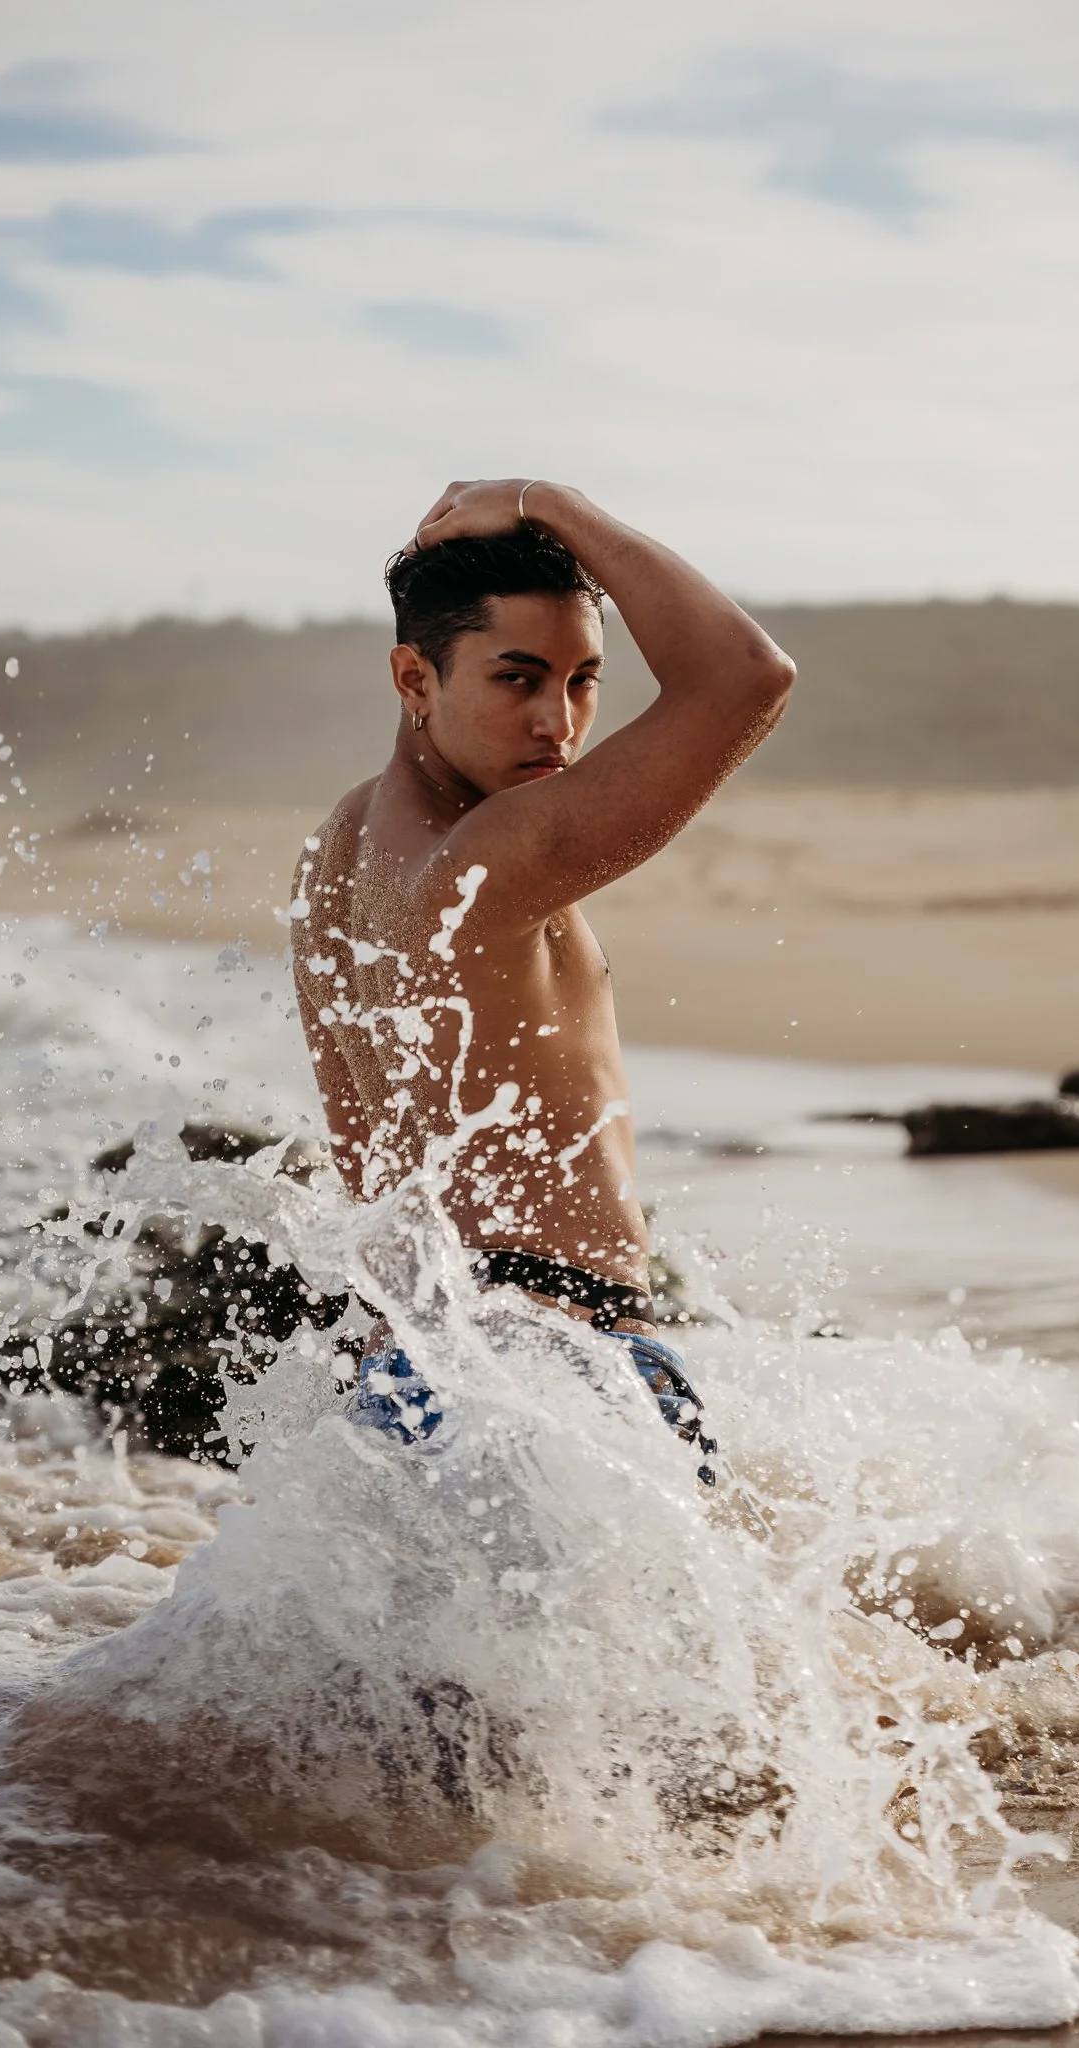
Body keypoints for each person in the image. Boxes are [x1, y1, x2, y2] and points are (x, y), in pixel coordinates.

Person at [292, 479, 795, 1486]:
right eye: (517, 678)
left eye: (582, 680)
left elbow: (364, 1151)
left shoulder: (338, 851)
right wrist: (551, 504)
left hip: (420, 1369)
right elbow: (747, 676)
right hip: (568, 1362)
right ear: (414, 677)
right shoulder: (495, 853)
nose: (556, 723)